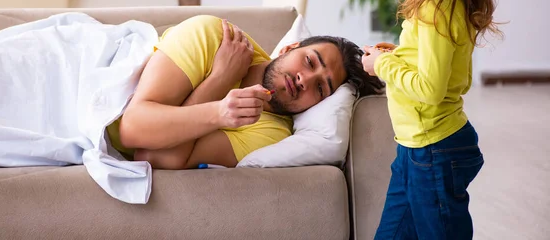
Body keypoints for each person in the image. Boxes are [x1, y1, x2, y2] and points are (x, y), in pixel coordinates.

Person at [361, 0, 502, 239]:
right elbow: (444, 66)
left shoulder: (435, 8)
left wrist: (383, 66)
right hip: (415, 149)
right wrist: (401, 54)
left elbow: (431, 89)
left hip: (433, 151)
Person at [107, 14, 384, 169]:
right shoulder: (213, 36)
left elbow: (155, 159)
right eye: (310, 61)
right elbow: (132, 126)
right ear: (289, 48)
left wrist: (218, 86)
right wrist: (220, 84)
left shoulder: (271, 134)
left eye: (321, 88)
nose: (305, 80)